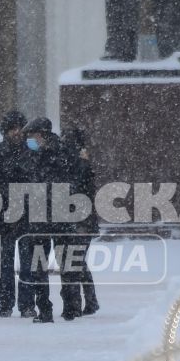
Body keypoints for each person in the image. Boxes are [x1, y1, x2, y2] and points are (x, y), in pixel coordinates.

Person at [18, 117, 73, 323]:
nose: (29, 140)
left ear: (41, 134)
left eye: (31, 135)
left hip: (44, 215)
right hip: (59, 216)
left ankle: (47, 310)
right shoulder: (64, 152)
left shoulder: (44, 155)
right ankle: (69, 307)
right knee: (64, 262)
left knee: (40, 265)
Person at [0, 110, 30, 317]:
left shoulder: (31, 151)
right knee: (5, 262)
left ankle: (26, 304)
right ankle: (6, 304)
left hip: (28, 214)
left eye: (20, 128)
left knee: (27, 261)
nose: (17, 132)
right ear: (6, 131)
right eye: (13, 129)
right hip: (3, 215)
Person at [60, 126, 100, 319]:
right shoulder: (80, 163)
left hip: (80, 219)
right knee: (77, 261)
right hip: (80, 219)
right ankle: (90, 301)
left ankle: (80, 303)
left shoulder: (79, 165)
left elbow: (78, 191)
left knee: (75, 261)